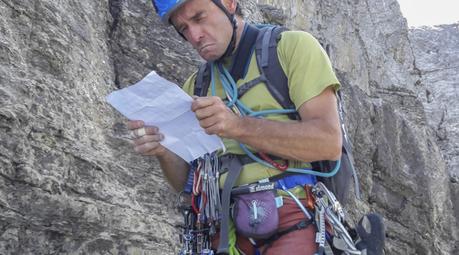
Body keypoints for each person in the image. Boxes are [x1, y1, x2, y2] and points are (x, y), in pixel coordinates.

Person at [128, 0, 344, 254]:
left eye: (199, 18)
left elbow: (328, 142)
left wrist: (237, 126)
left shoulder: (291, 48)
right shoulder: (196, 86)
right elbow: (188, 183)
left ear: (229, 3)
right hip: (222, 229)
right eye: (184, 29)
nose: (195, 36)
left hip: (292, 215)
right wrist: (163, 151)